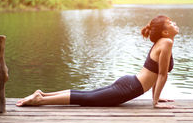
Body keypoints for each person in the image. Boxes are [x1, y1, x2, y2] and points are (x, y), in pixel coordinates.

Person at [16, 15, 179, 109]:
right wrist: (156, 102)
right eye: (171, 23)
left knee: (88, 95)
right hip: (130, 87)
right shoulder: (167, 43)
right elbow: (162, 75)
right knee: (87, 99)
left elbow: (157, 74)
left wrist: (157, 98)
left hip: (130, 83)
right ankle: (41, 100)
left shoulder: (163, 43)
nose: (174, 23)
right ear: (165, 32)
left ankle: (42, 94)